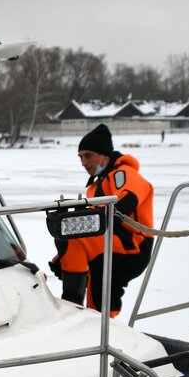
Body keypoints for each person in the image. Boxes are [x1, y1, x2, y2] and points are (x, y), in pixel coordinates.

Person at [49, 124, 154, 317]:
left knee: (76, 240)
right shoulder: (97, 185)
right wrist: (64, 256)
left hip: (134, 246)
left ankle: (91, 318)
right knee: (68, 239)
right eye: (80, 157)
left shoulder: (124, 174)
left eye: (88, 155)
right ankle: (79, 314)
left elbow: (129, 198)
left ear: (105, 154)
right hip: (113, 242)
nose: (83, 162)